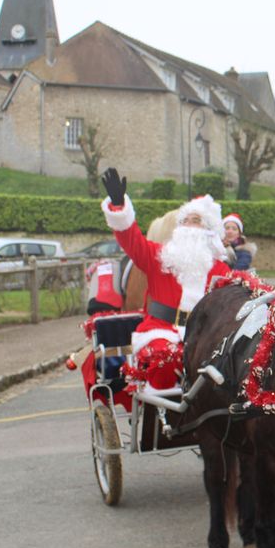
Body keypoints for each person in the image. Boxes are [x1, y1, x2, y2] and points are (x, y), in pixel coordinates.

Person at [100, 167, 231, 393]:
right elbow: (131, 239)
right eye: (185, 220)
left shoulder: (221, 269)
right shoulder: (159, 257)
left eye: (196, 220)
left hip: (205, 334)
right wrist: (119, 206)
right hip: (161, 331)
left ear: (209, 230)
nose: (189, 225)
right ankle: (160, 421)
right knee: (165, 361)